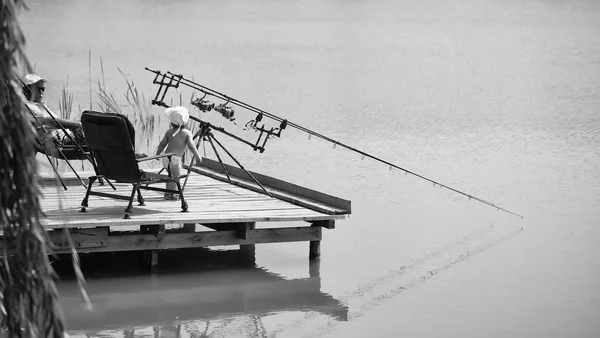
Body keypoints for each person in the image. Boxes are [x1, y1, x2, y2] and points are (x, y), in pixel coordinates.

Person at [22, 73, 85, 155]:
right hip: (65, 142)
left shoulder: (39, 104)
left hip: (70, 136)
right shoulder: (29, 106)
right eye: (38, 89)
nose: (42, 92)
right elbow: (51, 122)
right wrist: (78, 125)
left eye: (43, 89)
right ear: (27, 89)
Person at [155, 106, 203, 200]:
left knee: (170, 176)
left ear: (172, 122)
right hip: (175, 159)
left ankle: (168, 193)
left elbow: (162, 144)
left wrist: (157, 154)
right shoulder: (187, 133)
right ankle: (171, 194)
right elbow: (191, 146)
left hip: (165, 158)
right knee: (175, 177)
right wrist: (198, 156)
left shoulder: (169, 132)